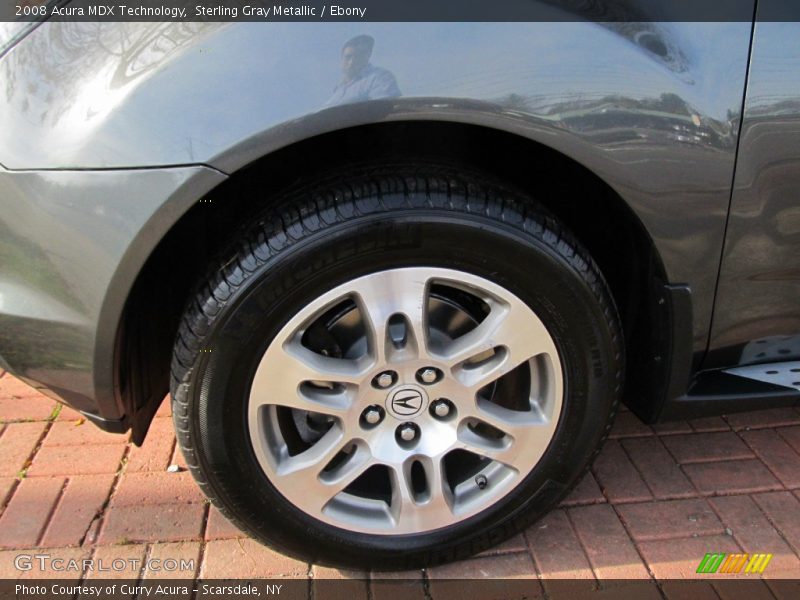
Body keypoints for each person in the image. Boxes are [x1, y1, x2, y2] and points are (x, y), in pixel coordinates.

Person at [324, 35, 401, 107]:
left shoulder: (379, 78)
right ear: (341, 59)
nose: (351, 62)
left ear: (366, 58)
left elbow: (387, 109)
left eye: (357, 57)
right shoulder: (337, 90)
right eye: (348, 57)